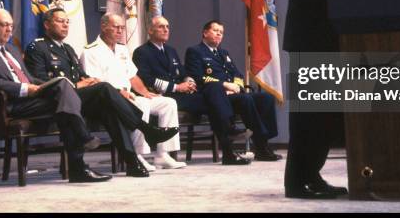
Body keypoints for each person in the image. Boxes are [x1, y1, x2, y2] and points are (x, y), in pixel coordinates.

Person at [282, 0, 364, 199]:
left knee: (324, 115)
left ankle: (311, 175)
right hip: (309, 38)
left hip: (326, 38)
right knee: (308, 116)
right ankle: (296, 182)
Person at [24, 8, 179, 178]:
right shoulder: (37, 47)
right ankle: (146, 129)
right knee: (105, 88)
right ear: (46, 24)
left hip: (78, 100)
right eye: (60, 21)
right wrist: (79, 84)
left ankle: (132, 163)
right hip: (56, 101)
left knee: (109, 107)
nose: (65, 25)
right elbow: (39, 81)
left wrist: (91, 80)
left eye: (67, 21)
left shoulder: (67, 49)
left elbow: (82, 75)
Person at [0, 8, 110, 183]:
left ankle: (80, 165)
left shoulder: (12, 49)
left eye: (11, 25)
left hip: (31, 99)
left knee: (64, 90)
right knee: (67, 102)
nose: (9, 29)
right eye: (4, 25)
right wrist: (23, 89)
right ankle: (80, 160)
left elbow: (31, 78)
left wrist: (47, 85)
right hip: (10, 104)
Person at [133, 16, 252, 166]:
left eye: (168, 27)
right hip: (164, 96)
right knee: (215, 100)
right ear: (150, 30)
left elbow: (183, 73)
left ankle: (228, 150)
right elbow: (147, 80)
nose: (166, 30)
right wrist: (177, 87)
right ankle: (229, 141)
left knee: (215, 99)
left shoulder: (171, 50)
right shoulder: (142, 52)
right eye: (161, 27)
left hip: (183, 95)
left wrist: (189, 81)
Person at [80, 13, 186, 170]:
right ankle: (138, 155)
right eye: (116, 27)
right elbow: (94, 81)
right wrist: (120, 92)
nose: (120, 31)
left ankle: (163, 155)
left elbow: (133, 76)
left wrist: (145, 92)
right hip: (110, 100)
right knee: (141, 105)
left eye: (122, 27)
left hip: (130, 95)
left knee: (168, 103)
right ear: (103, 27)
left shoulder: (122, 50)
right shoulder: (90, 51)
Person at [185, 20, 282, 163]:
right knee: (246, 99)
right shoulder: (195, 51)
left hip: (233, 95)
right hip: (212, 96)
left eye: (221, 32)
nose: (219, 34)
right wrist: (224, 86)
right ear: (205, 33)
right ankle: (260, 145)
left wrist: (236, 87)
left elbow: (237, 75)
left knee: (266, 98)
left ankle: (264, 141)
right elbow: (198, 77)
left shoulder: (223, 53)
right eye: (215, 30)